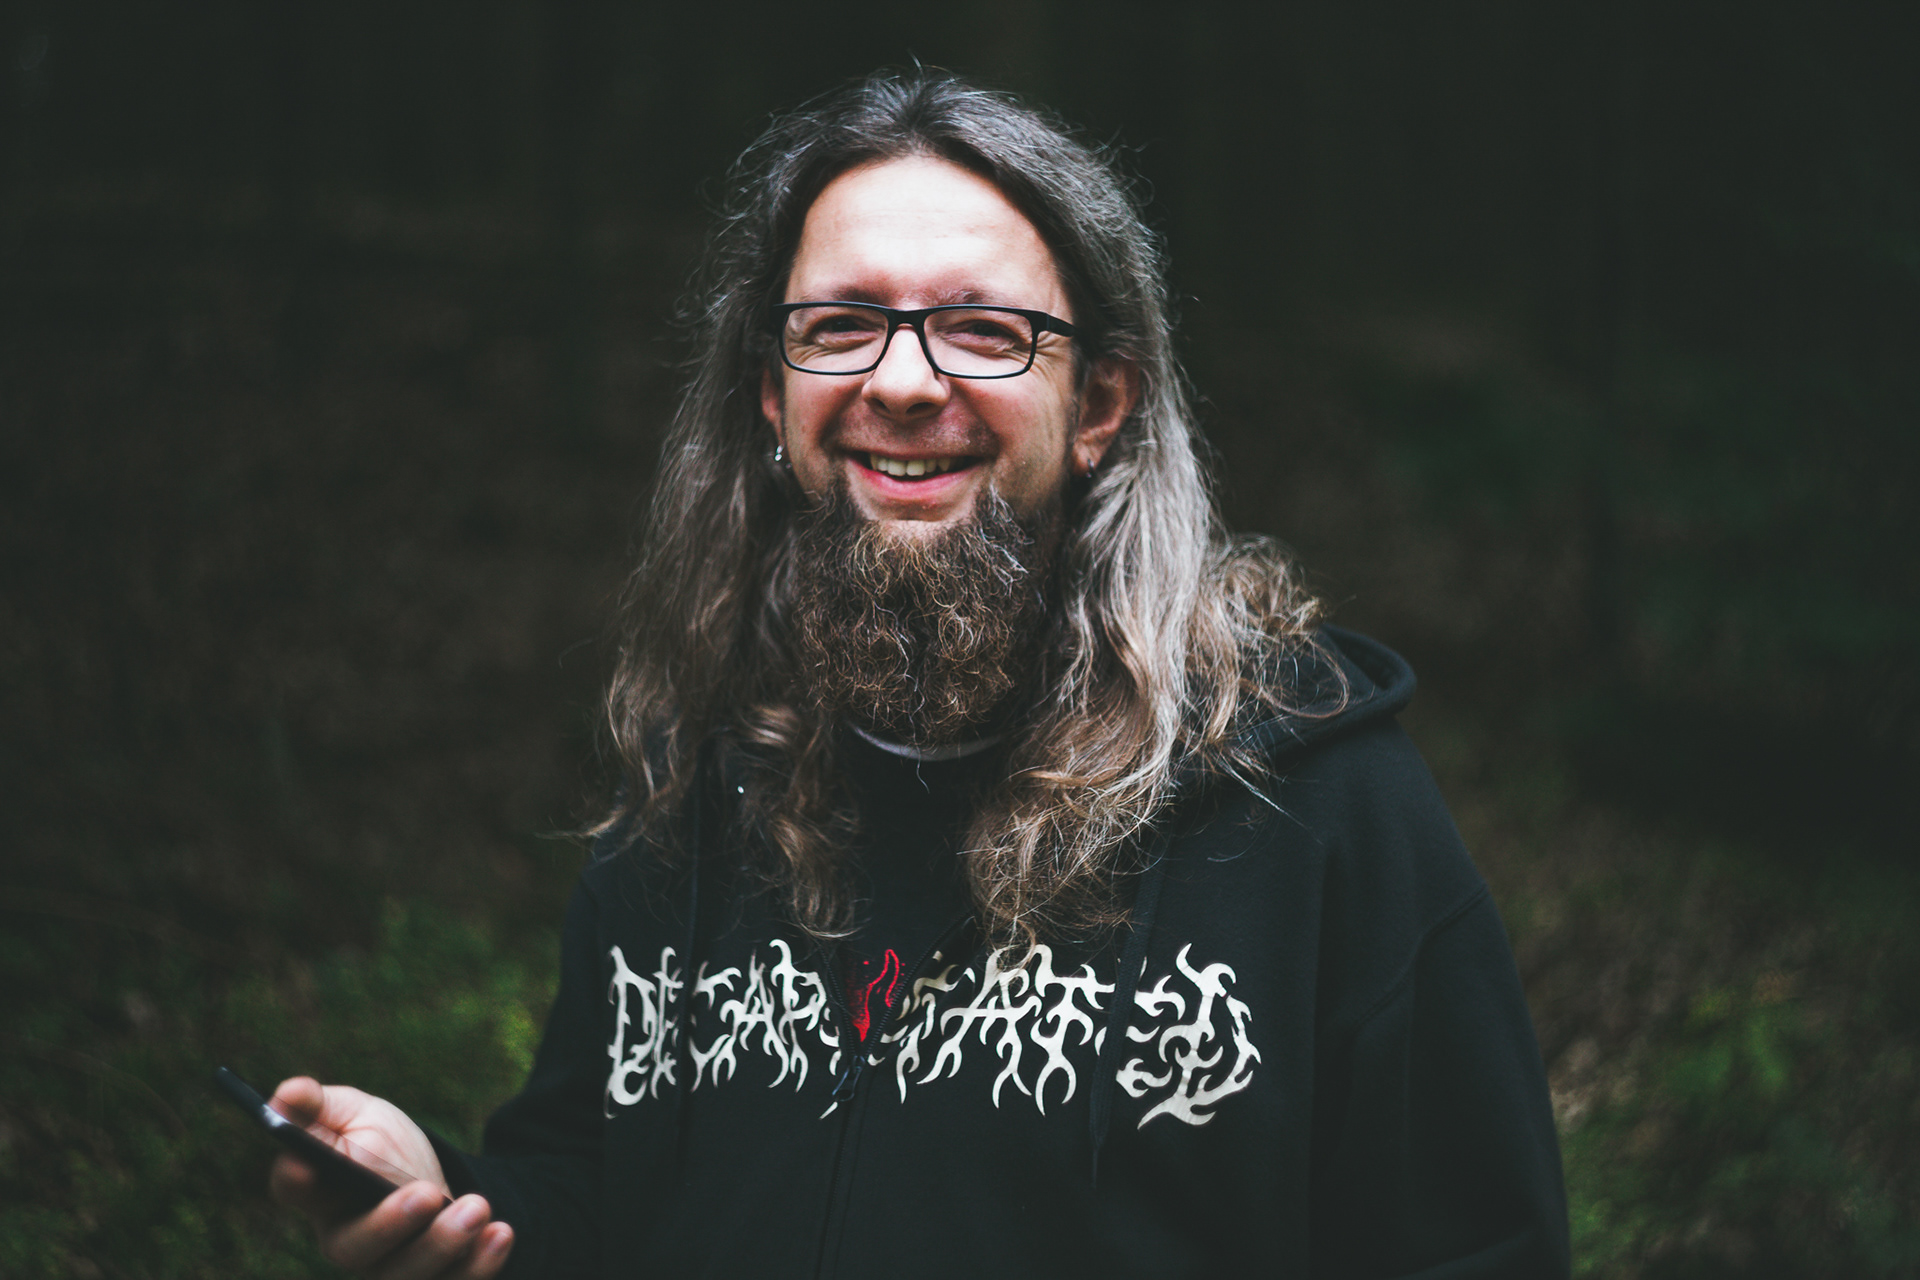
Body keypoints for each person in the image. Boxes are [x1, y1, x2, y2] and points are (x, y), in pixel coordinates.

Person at [269, 69, 1570, 1278]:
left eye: (984, 330)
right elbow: (601, 1200)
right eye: (841, 325)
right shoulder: (696, 790)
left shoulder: (1319, 810)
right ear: (772, 396)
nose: (899, 381)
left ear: (1099, 405)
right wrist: (453, 1199)